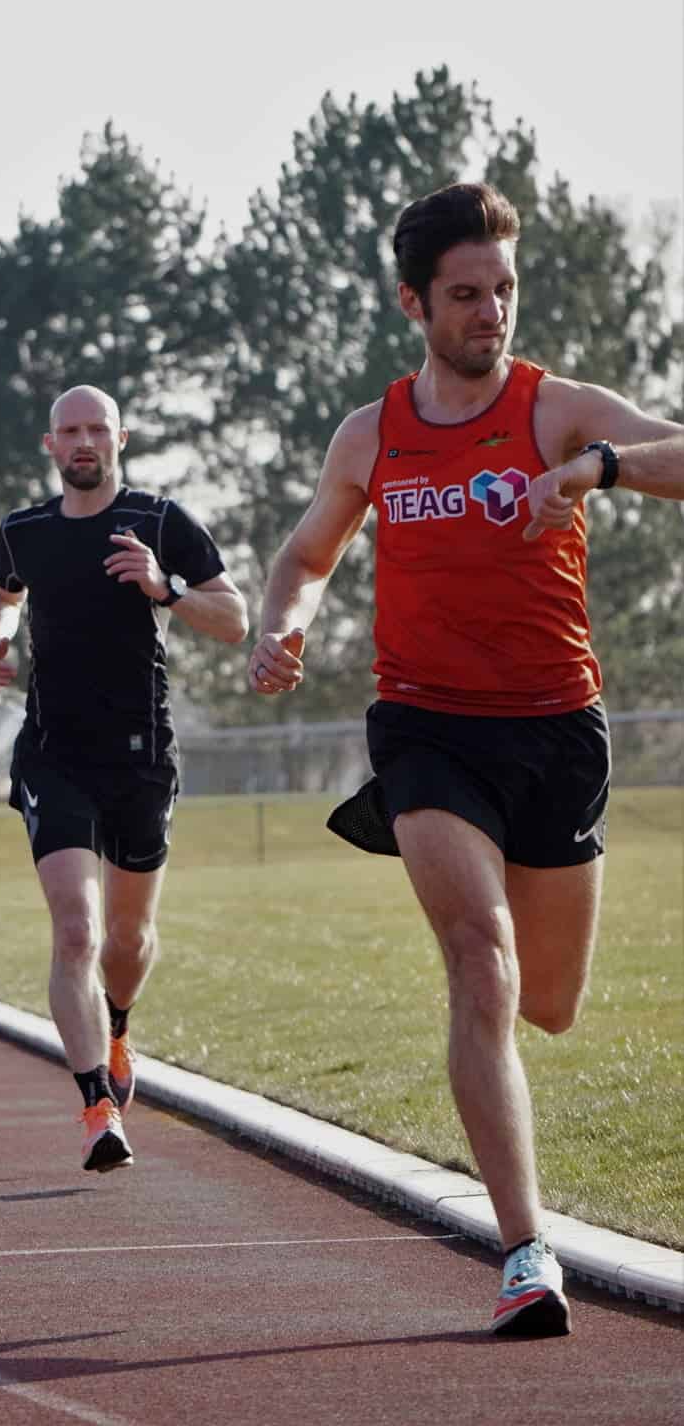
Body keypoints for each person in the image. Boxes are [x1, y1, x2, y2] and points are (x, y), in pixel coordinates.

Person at [248, 182, 684, 1338]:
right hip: (425, 727)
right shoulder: (371, 432)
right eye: (463, 294)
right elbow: (304, 555)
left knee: (547, 1003)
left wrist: (597, 472)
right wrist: (280, 622)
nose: (488, 311)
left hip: (555, 731)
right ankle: (524, 1251)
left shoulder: (553, 409)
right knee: (479, 961)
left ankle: (522, 1216)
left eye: (500, 290)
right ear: (413, 302)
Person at [0, 384, 248, 1173]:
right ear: (50, 445)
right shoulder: (22, 531)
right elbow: (1, 591)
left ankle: (118, 1028)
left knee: (126, 940)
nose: (84, 440)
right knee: (76, 930)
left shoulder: (160, 522)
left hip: (140, 756)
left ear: (119, 438)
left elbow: (231, 619)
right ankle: (97, 1105)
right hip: (53, 753)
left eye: (97, 428)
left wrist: (166, 588)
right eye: (70, 430)